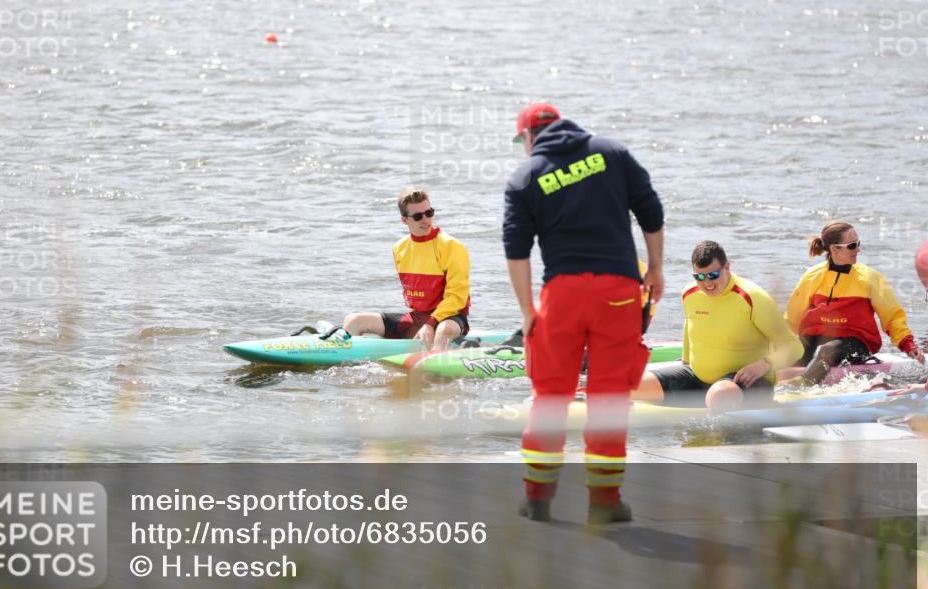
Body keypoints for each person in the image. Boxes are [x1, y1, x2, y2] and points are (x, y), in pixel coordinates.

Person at [503, 103, 665, 526]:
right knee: (609, 397)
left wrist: (527, 311)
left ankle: (537, 499)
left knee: (551, 396)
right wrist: (656, 269)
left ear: (530, 136)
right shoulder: (612, 153)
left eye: (522, 141)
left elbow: (516, 251)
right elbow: (651, 211)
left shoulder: (526, 176)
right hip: (620, 291)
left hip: (563, 295)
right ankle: (605, 502)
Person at [635, 241, 804, 414]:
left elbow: (795, 347)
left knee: (720, 395)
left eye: (713, 275)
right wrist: (685, 361)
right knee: (631, 386)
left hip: (745, 383)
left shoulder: (753, 298)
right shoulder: (689, 293)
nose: (707, 283)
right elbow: (690, 326)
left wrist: (763, 365)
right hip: (699, 379)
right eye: (699, 277)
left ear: (727, 267)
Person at [784, 220, 925, 385]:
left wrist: (908, 345)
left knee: (828, 350)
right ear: (834, 248)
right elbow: (792, 317)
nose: (858, 249)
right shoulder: (812, 276)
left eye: (858, 243)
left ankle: (800, 386)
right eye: (852, 245)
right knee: (794, 349)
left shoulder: (870, 278)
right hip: (816, 338)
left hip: (855, 343)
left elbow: (892, 316)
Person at [341, 187, 470, 351]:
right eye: (418, 216)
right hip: (416, 317)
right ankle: (349, 367)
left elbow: (457, 297)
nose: (425, 220)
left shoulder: (451, 246)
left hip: (450, 318)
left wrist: (431, 323)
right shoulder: (399, 248)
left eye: (429, 213)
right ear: (404, 220)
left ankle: (435, 371)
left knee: (443, 331)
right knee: (353, 321)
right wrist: (419, 325)